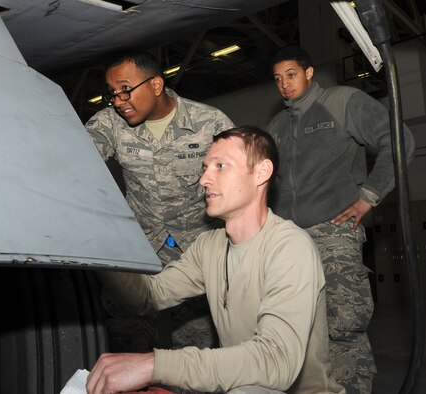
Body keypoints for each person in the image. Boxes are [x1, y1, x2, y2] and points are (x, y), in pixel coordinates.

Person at [86, 126, 344, 394]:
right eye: (205, 167)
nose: (204, 179)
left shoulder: (290, 246)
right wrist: (101, 248)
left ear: (262, 173)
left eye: (221, 166)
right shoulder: (209, 246)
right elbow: (150, 295)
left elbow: (276, 361)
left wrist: (154, 364)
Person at [267, 46, 415, 394]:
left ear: (308, 73)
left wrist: (369, 197)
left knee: (344, 327)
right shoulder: (276, 125)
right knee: (296, 329)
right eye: (277, 79)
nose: (284, 84)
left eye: (291, 74)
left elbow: (399, 140)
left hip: (333, 234)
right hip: (289, 240)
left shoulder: (341, 101)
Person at [85, 51, 234, 351]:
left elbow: (239, 188)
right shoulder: (110, 124)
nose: (118, 100)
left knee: (199, 350)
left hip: (194, 254)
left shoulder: (210, 122)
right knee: (126, 347)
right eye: (112, 93)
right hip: (140, 251)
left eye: (125, 89)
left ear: (155, 85)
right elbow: (76, 160)